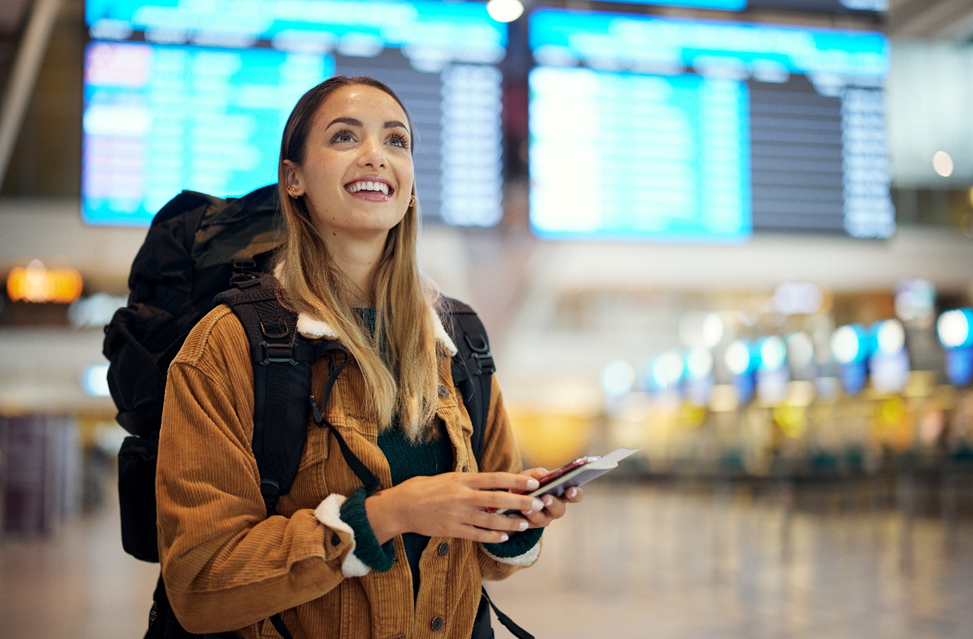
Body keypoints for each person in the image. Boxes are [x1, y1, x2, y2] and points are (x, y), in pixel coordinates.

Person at [155, 76, 582, 638]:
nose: (375, 156)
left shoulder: (459, 342)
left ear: (409, 184)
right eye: (343, 137)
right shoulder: (228, 346)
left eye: (396, 141)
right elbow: (202, 585)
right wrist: (388, 515)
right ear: (294, 180)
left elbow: (479, 559)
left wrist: (520, 519)